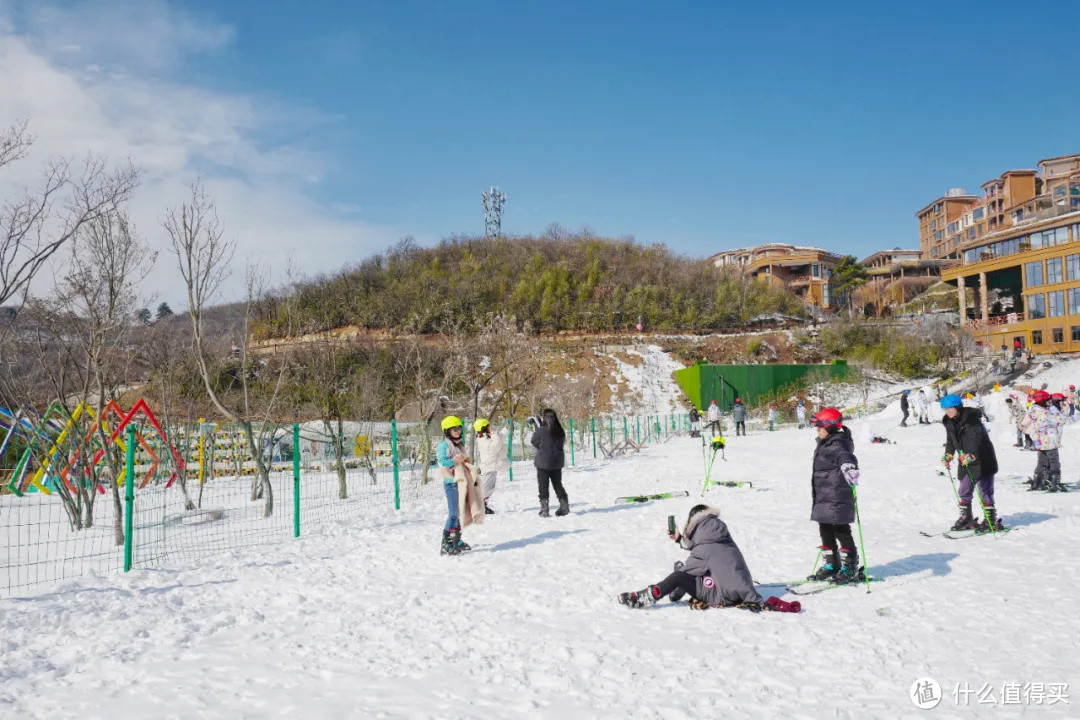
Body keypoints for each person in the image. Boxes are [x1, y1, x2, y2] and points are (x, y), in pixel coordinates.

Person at [617, 504, 764, 609]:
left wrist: (678, 577)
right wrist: (679, 539)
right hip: (738, 589)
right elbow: (704, 553)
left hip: (722, 595)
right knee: (684, 571)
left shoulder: (705, 550)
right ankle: (675, 589)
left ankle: (646, 597)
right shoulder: (720, 538)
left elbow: (690, 568)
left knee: (678, 576)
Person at [807, 408, 864, 584]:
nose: (817, 430)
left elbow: (845, 456)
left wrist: (849, 467)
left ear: (830, 427)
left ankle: (850, 567)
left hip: (837, 496)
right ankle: (832, 564)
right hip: (824, 495)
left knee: (841, 530)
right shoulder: (825, 442)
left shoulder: (837, 444)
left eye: (819, 427)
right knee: (824, 529)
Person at [940, 394, 1003, 532]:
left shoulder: (972, 420)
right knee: (964, 489)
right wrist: (949, 454)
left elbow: (977, 441)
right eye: (945, 409)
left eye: (950, 408)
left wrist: (972, 455)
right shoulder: (949, 422)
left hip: (982, 459)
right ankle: (966, 518)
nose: (948, 411)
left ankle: (990, 520)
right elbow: (951, 441)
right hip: (966, 460)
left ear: (957, 407)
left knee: (984, 490)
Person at [435, 416, 478, 555]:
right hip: (451, 484)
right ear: (447, 430)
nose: (458, 431)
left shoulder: (459, 444)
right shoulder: (443, 446)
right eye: (455, 429)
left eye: (459, 428)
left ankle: (456, 540)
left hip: (462, 483)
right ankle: (445, 543)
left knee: (459, 513)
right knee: (453, 514)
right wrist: (456, 460)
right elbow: (442, 462)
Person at [1021, 391, 1068, 492]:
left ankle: (1038, 483)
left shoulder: (1033, 409)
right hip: (1049, 441)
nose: (1049, 402)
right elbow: (1061, 420)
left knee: (1042, 462)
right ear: (1042, 401)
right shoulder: (1044, 412)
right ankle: (1055, 483)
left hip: (1040, 441)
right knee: (1054, 462)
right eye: (1047, 400)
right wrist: (1064, 411)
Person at [531, 408, 569, 517]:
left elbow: (533, 441)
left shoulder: (541, 430)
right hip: (557, 462)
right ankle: (564, 505)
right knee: (557, 484)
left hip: (543, 462)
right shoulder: (560, 430)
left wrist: (541, 447)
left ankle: (544, 508)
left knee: (543, 486)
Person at [474, 418, 510, 514]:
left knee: (489, 487)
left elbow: (499, 439)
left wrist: (505, 430)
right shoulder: (483, 440)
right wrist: (493, 434)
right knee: (487, 488)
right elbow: (496, 445)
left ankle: (482, 505)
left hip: (492, 466)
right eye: (488, 426)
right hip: (489, 467)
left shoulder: (487, 436)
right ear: (484, 428)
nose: (490, 427)